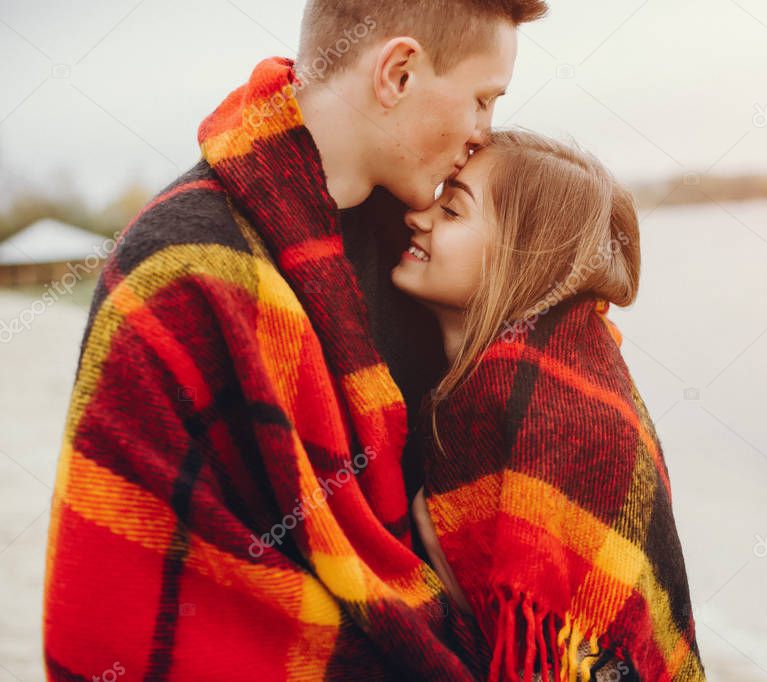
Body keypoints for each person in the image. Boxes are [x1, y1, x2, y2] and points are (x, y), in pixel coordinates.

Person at [42, 1, 547, 679]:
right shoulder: (180, 267)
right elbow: (122, 589)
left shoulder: (420, 249)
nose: (484, 133)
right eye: (482, 101)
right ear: (397, 73)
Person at [395, 130, 708, 681]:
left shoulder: (540, 404)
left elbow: (547, 653)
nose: (418, 217)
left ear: (521, 255)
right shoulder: (553, 370)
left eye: (452, 210)